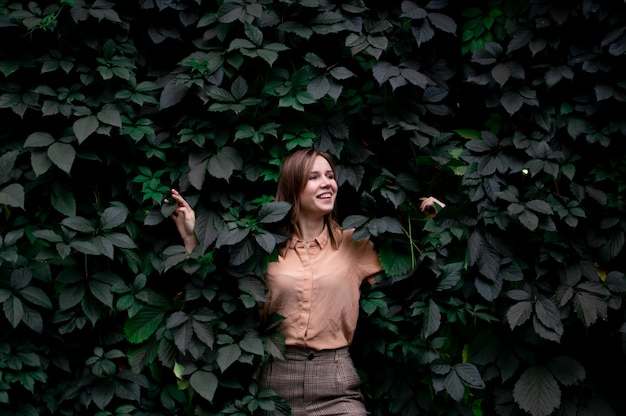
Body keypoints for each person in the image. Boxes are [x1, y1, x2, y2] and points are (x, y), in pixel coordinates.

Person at [167, 148, 445, 415]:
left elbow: (409, 283)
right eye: (313, 177)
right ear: (292, 187)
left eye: (330, 176)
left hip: (336, 382)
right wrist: (192, 239)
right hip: (274, 382)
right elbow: (216, 296)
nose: (327, 183)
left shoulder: (355, 242)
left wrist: (434, 226)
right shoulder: (262, 246)